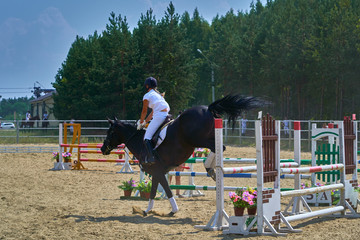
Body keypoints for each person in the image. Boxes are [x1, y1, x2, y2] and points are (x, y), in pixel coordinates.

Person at [137, 77, 170, 165]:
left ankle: (151, 158)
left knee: (146, 137)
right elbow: (152, 113)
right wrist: (145, 122)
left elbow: (144, 111)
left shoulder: (147, 96)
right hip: (166, 114)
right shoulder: (158, 95)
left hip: (159, 116)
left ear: (147, 86)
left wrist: (140, 122)